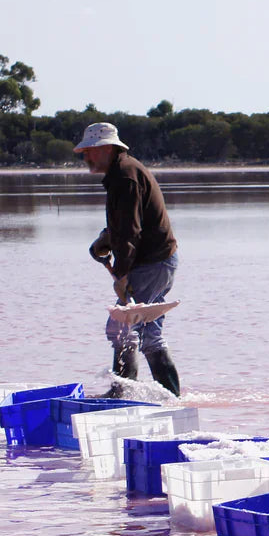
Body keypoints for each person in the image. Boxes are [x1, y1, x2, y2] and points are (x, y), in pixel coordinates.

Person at [76, 122, 181, 397]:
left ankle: (122, 394)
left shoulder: (124, 176)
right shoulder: (122, 172)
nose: (86, 156)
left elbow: (130, 232)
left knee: (123, 328)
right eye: (84, 152)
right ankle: (169, 397)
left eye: (90, 151)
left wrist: (121, 275)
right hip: (157, 261)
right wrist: (105, 238)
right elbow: (125, 225)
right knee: (141, 332)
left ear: (107, 149)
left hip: (151, 263)